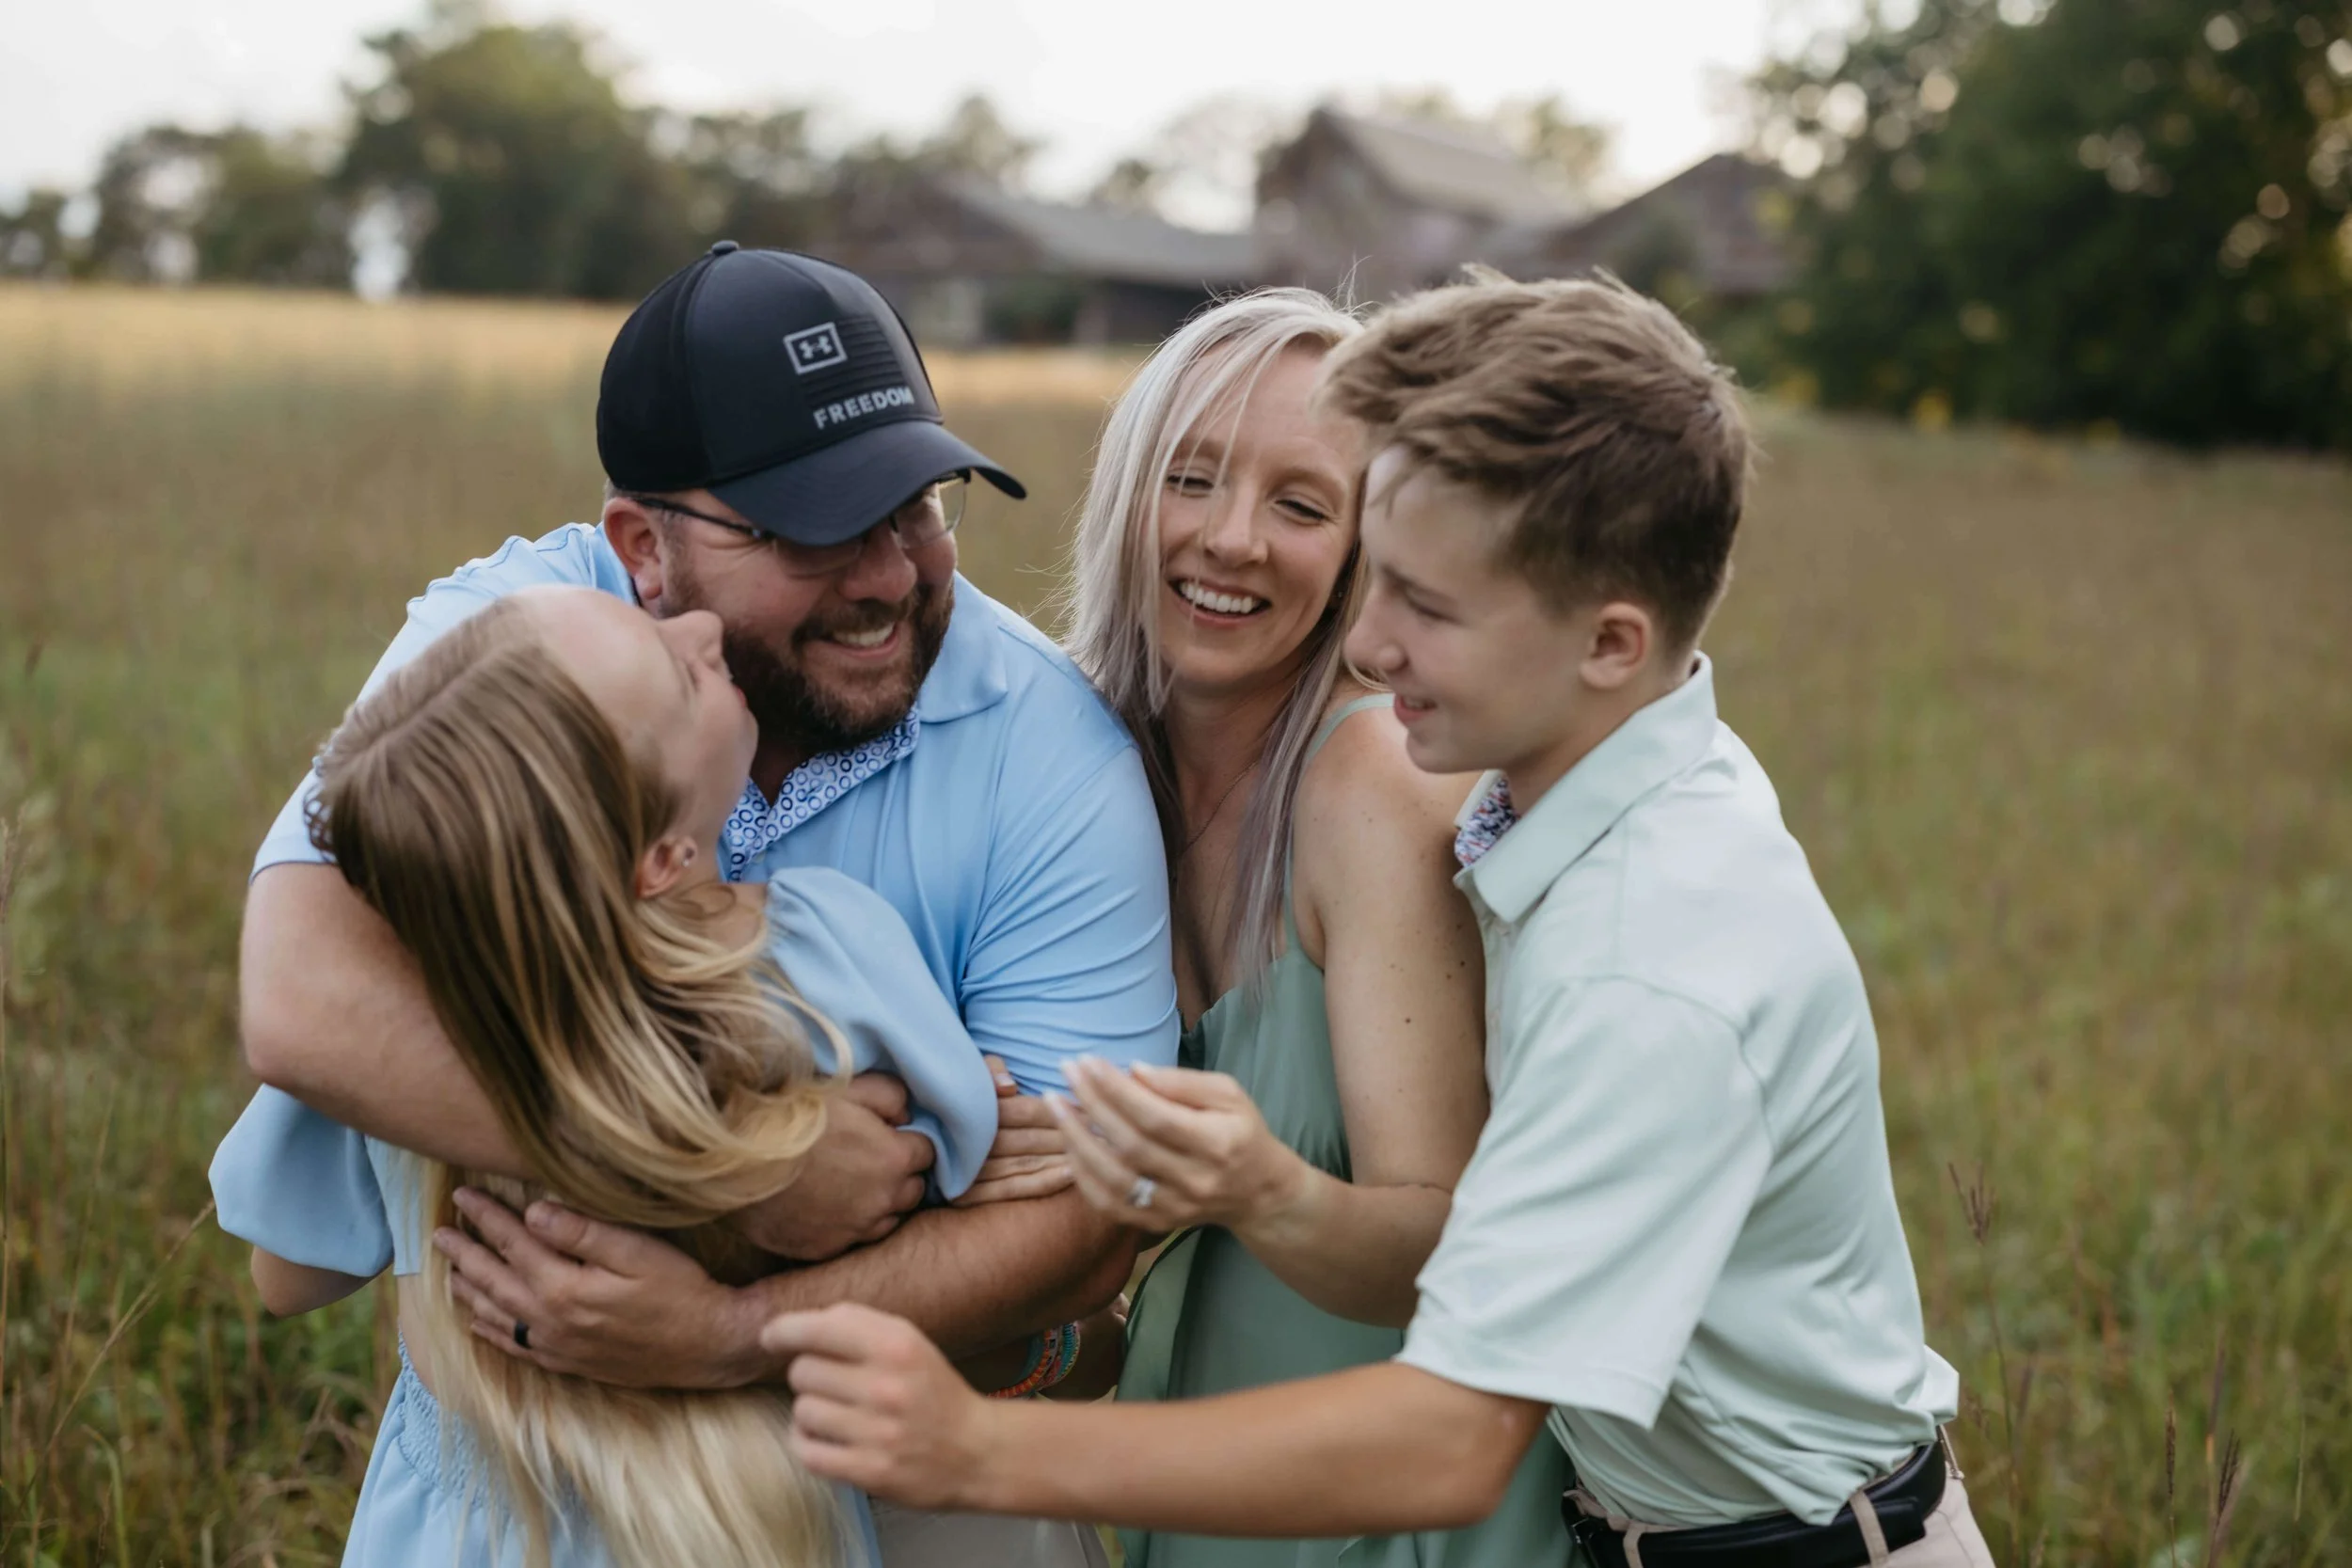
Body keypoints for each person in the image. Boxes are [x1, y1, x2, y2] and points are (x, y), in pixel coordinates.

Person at [762, 273, 1998, 1568]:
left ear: (1612, 643)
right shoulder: (1573, 789)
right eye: (1194, 478)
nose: (1374, 635)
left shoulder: (1639, 963)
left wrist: (972, 1448)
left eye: (1418, 594)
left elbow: (1452, 1434)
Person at [233, 243, 1177, 1567]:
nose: (896, 575)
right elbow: (304, 1005)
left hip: (856, 1457)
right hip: (517, 1468)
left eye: (919, 502)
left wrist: (721, 1326)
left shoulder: (1051, 747)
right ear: (642, 548)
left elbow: (1082, 1219)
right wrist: (758, 1167)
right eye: (814, 526)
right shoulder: (515, 647)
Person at [214, 585, 1055, 1564]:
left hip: (461, 1527)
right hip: (749, 1519)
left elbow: (287, 1275)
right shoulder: (831, 956)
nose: (704, 627)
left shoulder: (404, 1010)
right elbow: (959, 1170)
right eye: (680, 671)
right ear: (661, 856)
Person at [1042, 287, 1570, 1567]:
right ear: (1128, 494)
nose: (1230, 540)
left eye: (1300, 503)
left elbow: (1442, 1239)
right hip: (1212, 1480)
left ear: (1364, 551)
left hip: (1395, 1511)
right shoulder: (1078, 771)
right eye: (1193, 478)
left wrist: (1259, 1187)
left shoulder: (1371, 781)